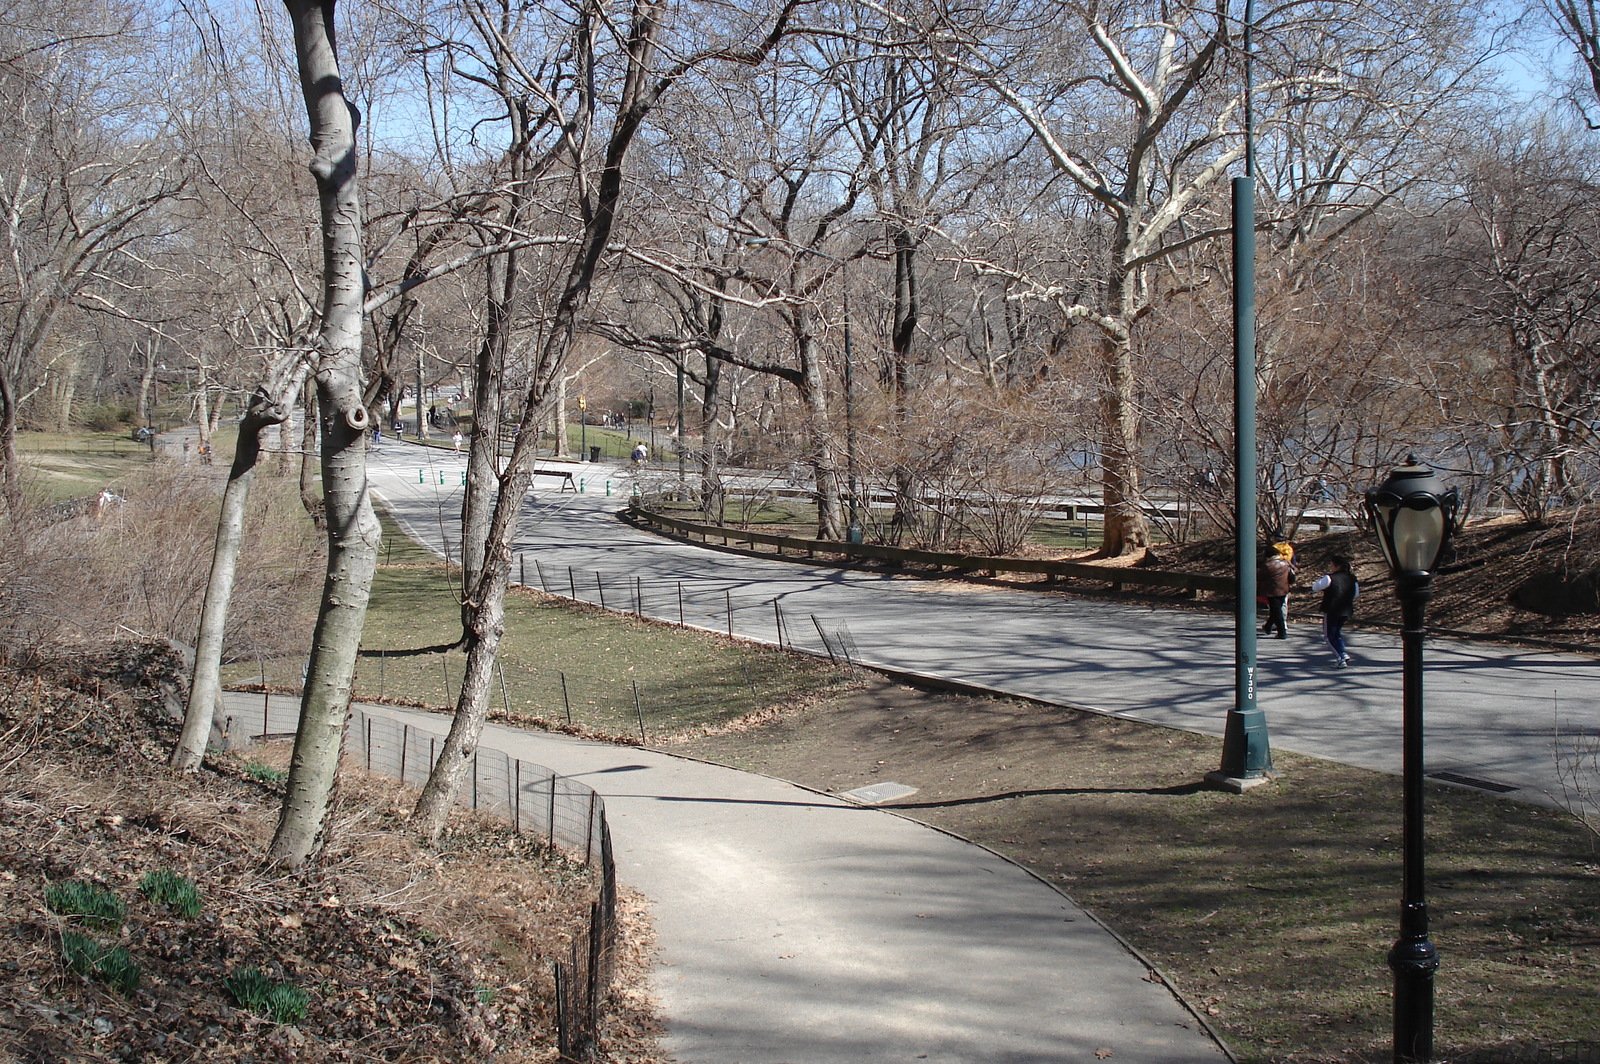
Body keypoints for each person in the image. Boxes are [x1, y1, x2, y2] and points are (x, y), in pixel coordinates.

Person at [1309, 554, 1358, 668]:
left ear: (1336, 566)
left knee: (1329, 637)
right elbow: (1355, 594)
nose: (1330, 567)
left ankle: (1340, 658)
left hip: (1332, 609)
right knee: (1337, 634)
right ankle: (1343, 653)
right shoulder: (1352, 579)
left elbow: (1315, 587)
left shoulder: (1329, 578)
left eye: (1331, 564)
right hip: (1346, 610)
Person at [1259, 542, 1297, 638]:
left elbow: (1260, 577)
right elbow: (1295, 570)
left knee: (1276, 611)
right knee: (1276, 610)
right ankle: (1268, 627)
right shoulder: (1285, 562)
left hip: (1272, 591)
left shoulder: (1267, 565)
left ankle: (1282, 632)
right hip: (1284, 589)